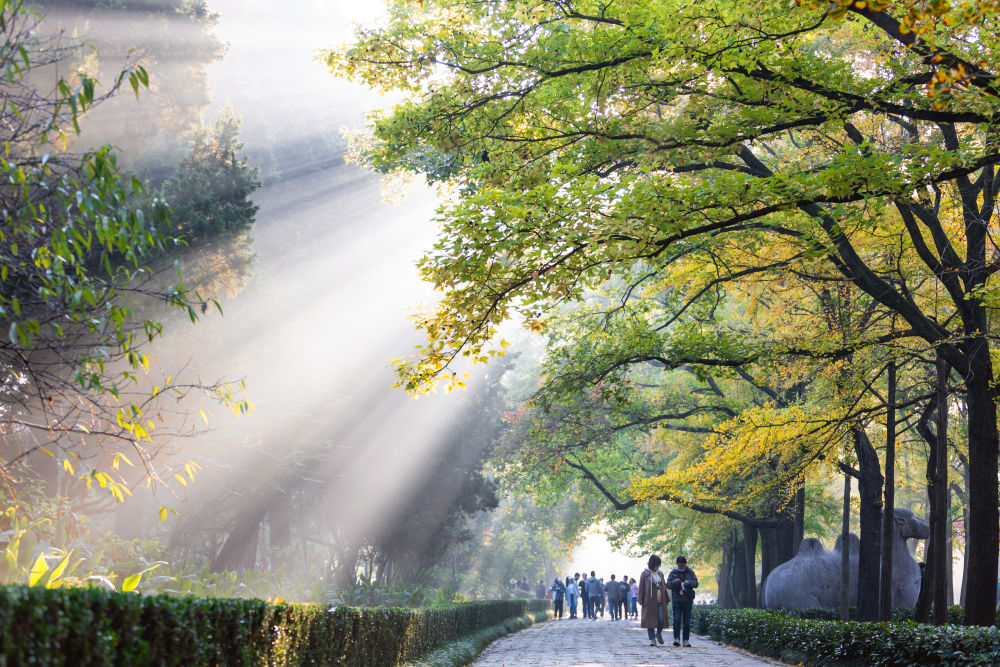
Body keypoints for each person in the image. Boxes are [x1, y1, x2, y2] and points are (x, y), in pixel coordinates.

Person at [666, 555, 698, 647]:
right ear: (677, 564)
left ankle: (686, 640)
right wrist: (674, 582)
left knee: (687, 621)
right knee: (676, 620)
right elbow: (668, 585)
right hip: (676, 600)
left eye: (682, 565)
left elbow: (696, 583)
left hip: (687, 600)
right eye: (679, 565)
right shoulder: (673, 573)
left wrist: (689, 582)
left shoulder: (690, 572)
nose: (681, 567)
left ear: (685, 564)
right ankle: (677, 639)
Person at [639, 554, 667, 646]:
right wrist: (640, 598)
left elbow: (664, 586)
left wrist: (666, 597)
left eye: (658, 564)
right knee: (650, 620)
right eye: (656, 564)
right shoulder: (645, 574)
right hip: (649, 600)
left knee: (661, 619)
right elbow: (641, 587)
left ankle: (658, 634)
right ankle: (652, 639)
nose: (657, 566)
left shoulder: (660, 573)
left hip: (660, 599)